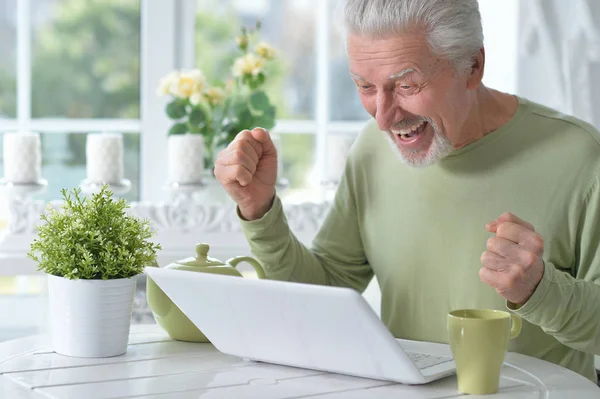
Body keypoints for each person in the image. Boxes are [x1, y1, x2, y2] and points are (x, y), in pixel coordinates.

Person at [214, 0, 600, 383]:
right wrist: (259, 209)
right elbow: (323, 298)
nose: (383, 117)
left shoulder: (579, 156)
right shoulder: (372, 149)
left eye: (406, 85)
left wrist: (539, 290)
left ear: (473, 67)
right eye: (365, 86)